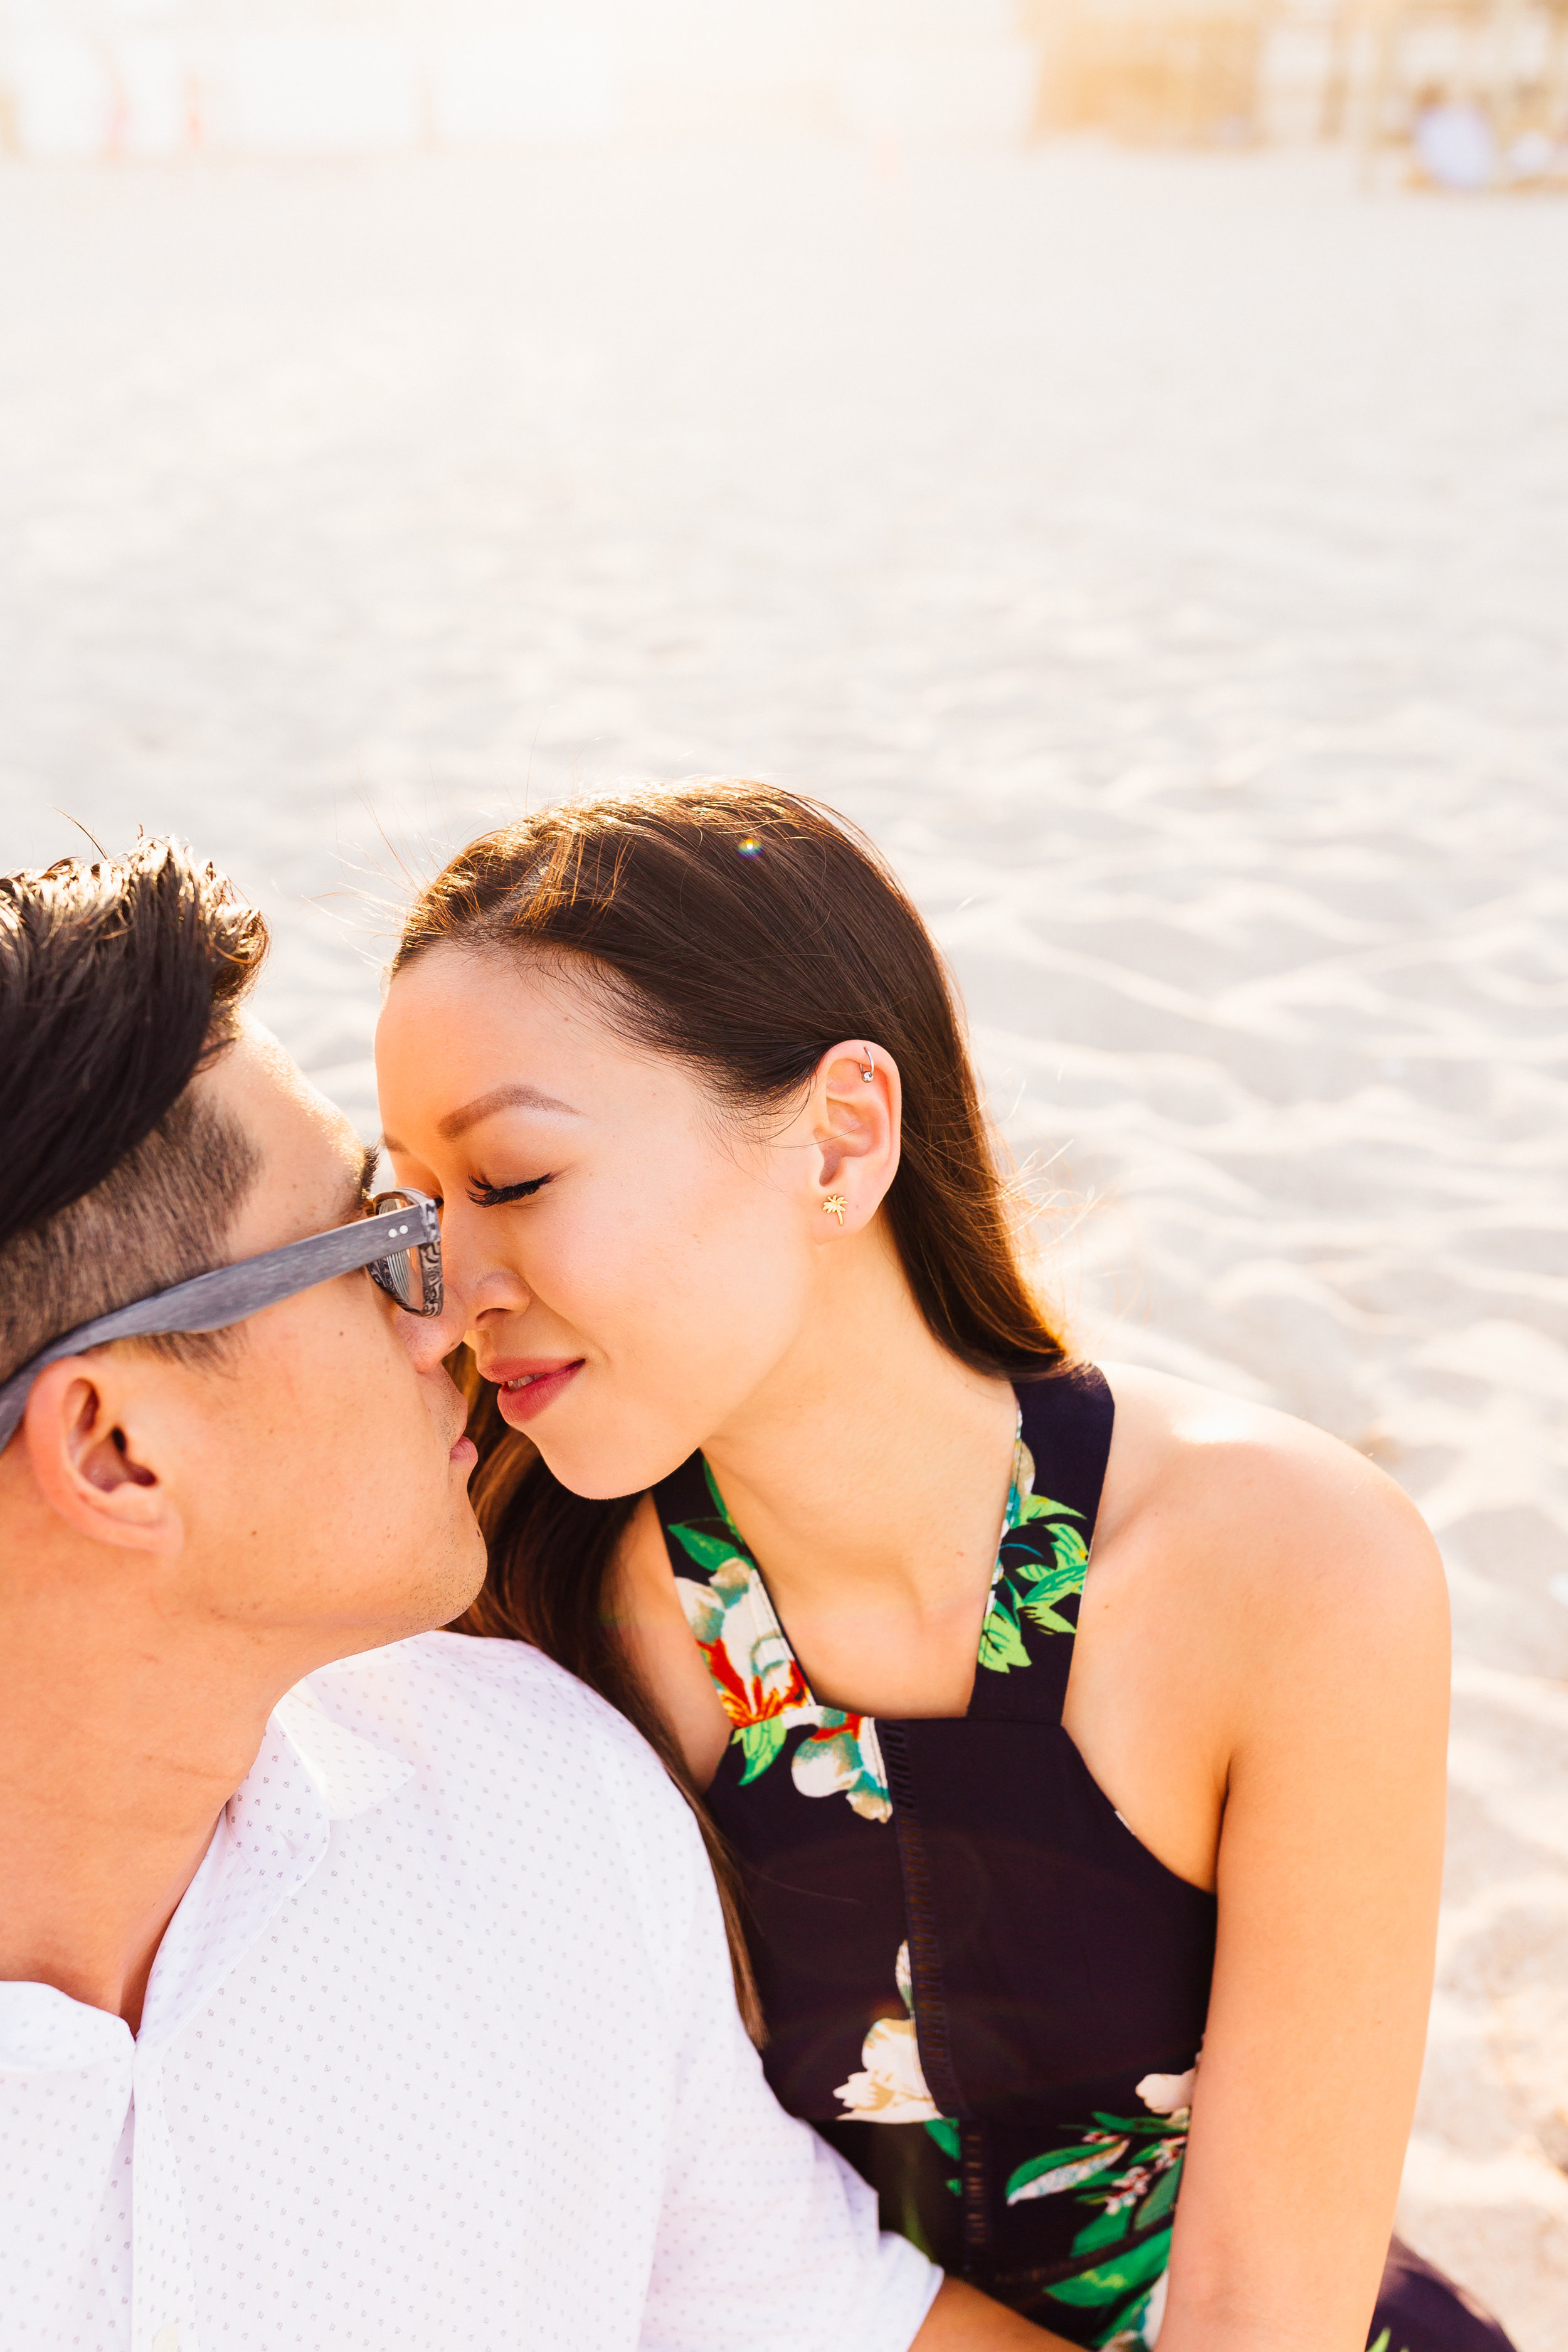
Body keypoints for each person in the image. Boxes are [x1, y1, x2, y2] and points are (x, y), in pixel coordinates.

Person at [375, 779, 1520, 2352]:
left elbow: (1266, 2322)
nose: (453, 1292)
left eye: (507, 1181)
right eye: (421, 1210)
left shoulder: (1285, 1570)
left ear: (839, 1136)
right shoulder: (514, 1609)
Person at [0, 837, 1039, 2352]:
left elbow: (827, 2321)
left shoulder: (532, 1805)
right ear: (117, 1448)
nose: (444, 1321)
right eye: (367, 1245)